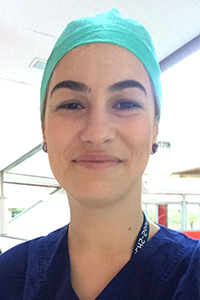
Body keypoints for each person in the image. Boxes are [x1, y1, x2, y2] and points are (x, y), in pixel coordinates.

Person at [0, 9, 199, 300]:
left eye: (126, 103)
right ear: (44, 129)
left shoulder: (191, 276)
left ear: (155, 129)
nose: (96, 132)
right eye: (71, 105)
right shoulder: (10, 276)